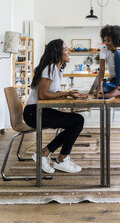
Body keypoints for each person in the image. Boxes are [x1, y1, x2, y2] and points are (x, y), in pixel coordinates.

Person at [23, 39, 88, 174]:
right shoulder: (50, 67)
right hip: (34, 113)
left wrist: (68, 94)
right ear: (57, 52)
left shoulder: (57, 69)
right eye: (65, 49)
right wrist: (66, 93)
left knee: (76, 121)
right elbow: (42, 95)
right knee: (77, 121)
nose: (69, 52)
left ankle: (47, 154)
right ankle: (60, 159)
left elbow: (51, 93)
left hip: (41, 111)